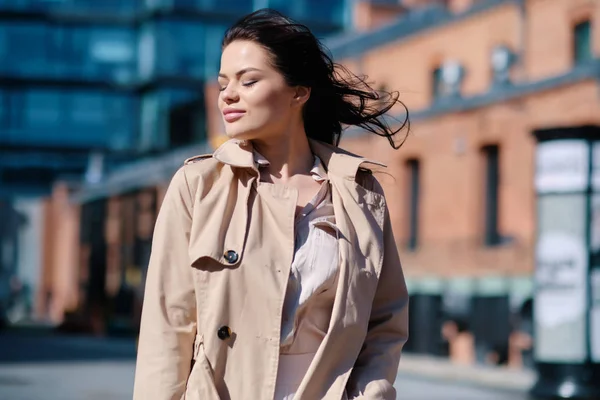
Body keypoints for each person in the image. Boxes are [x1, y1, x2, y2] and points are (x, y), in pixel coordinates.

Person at [133, 8, 409, 400]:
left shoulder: (360, 192)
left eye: (248, 81)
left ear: (299, 91)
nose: (228, 94)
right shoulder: (198, 187)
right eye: (223, 82)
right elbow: (167, 325)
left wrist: (372, 392)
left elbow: (386, 319)